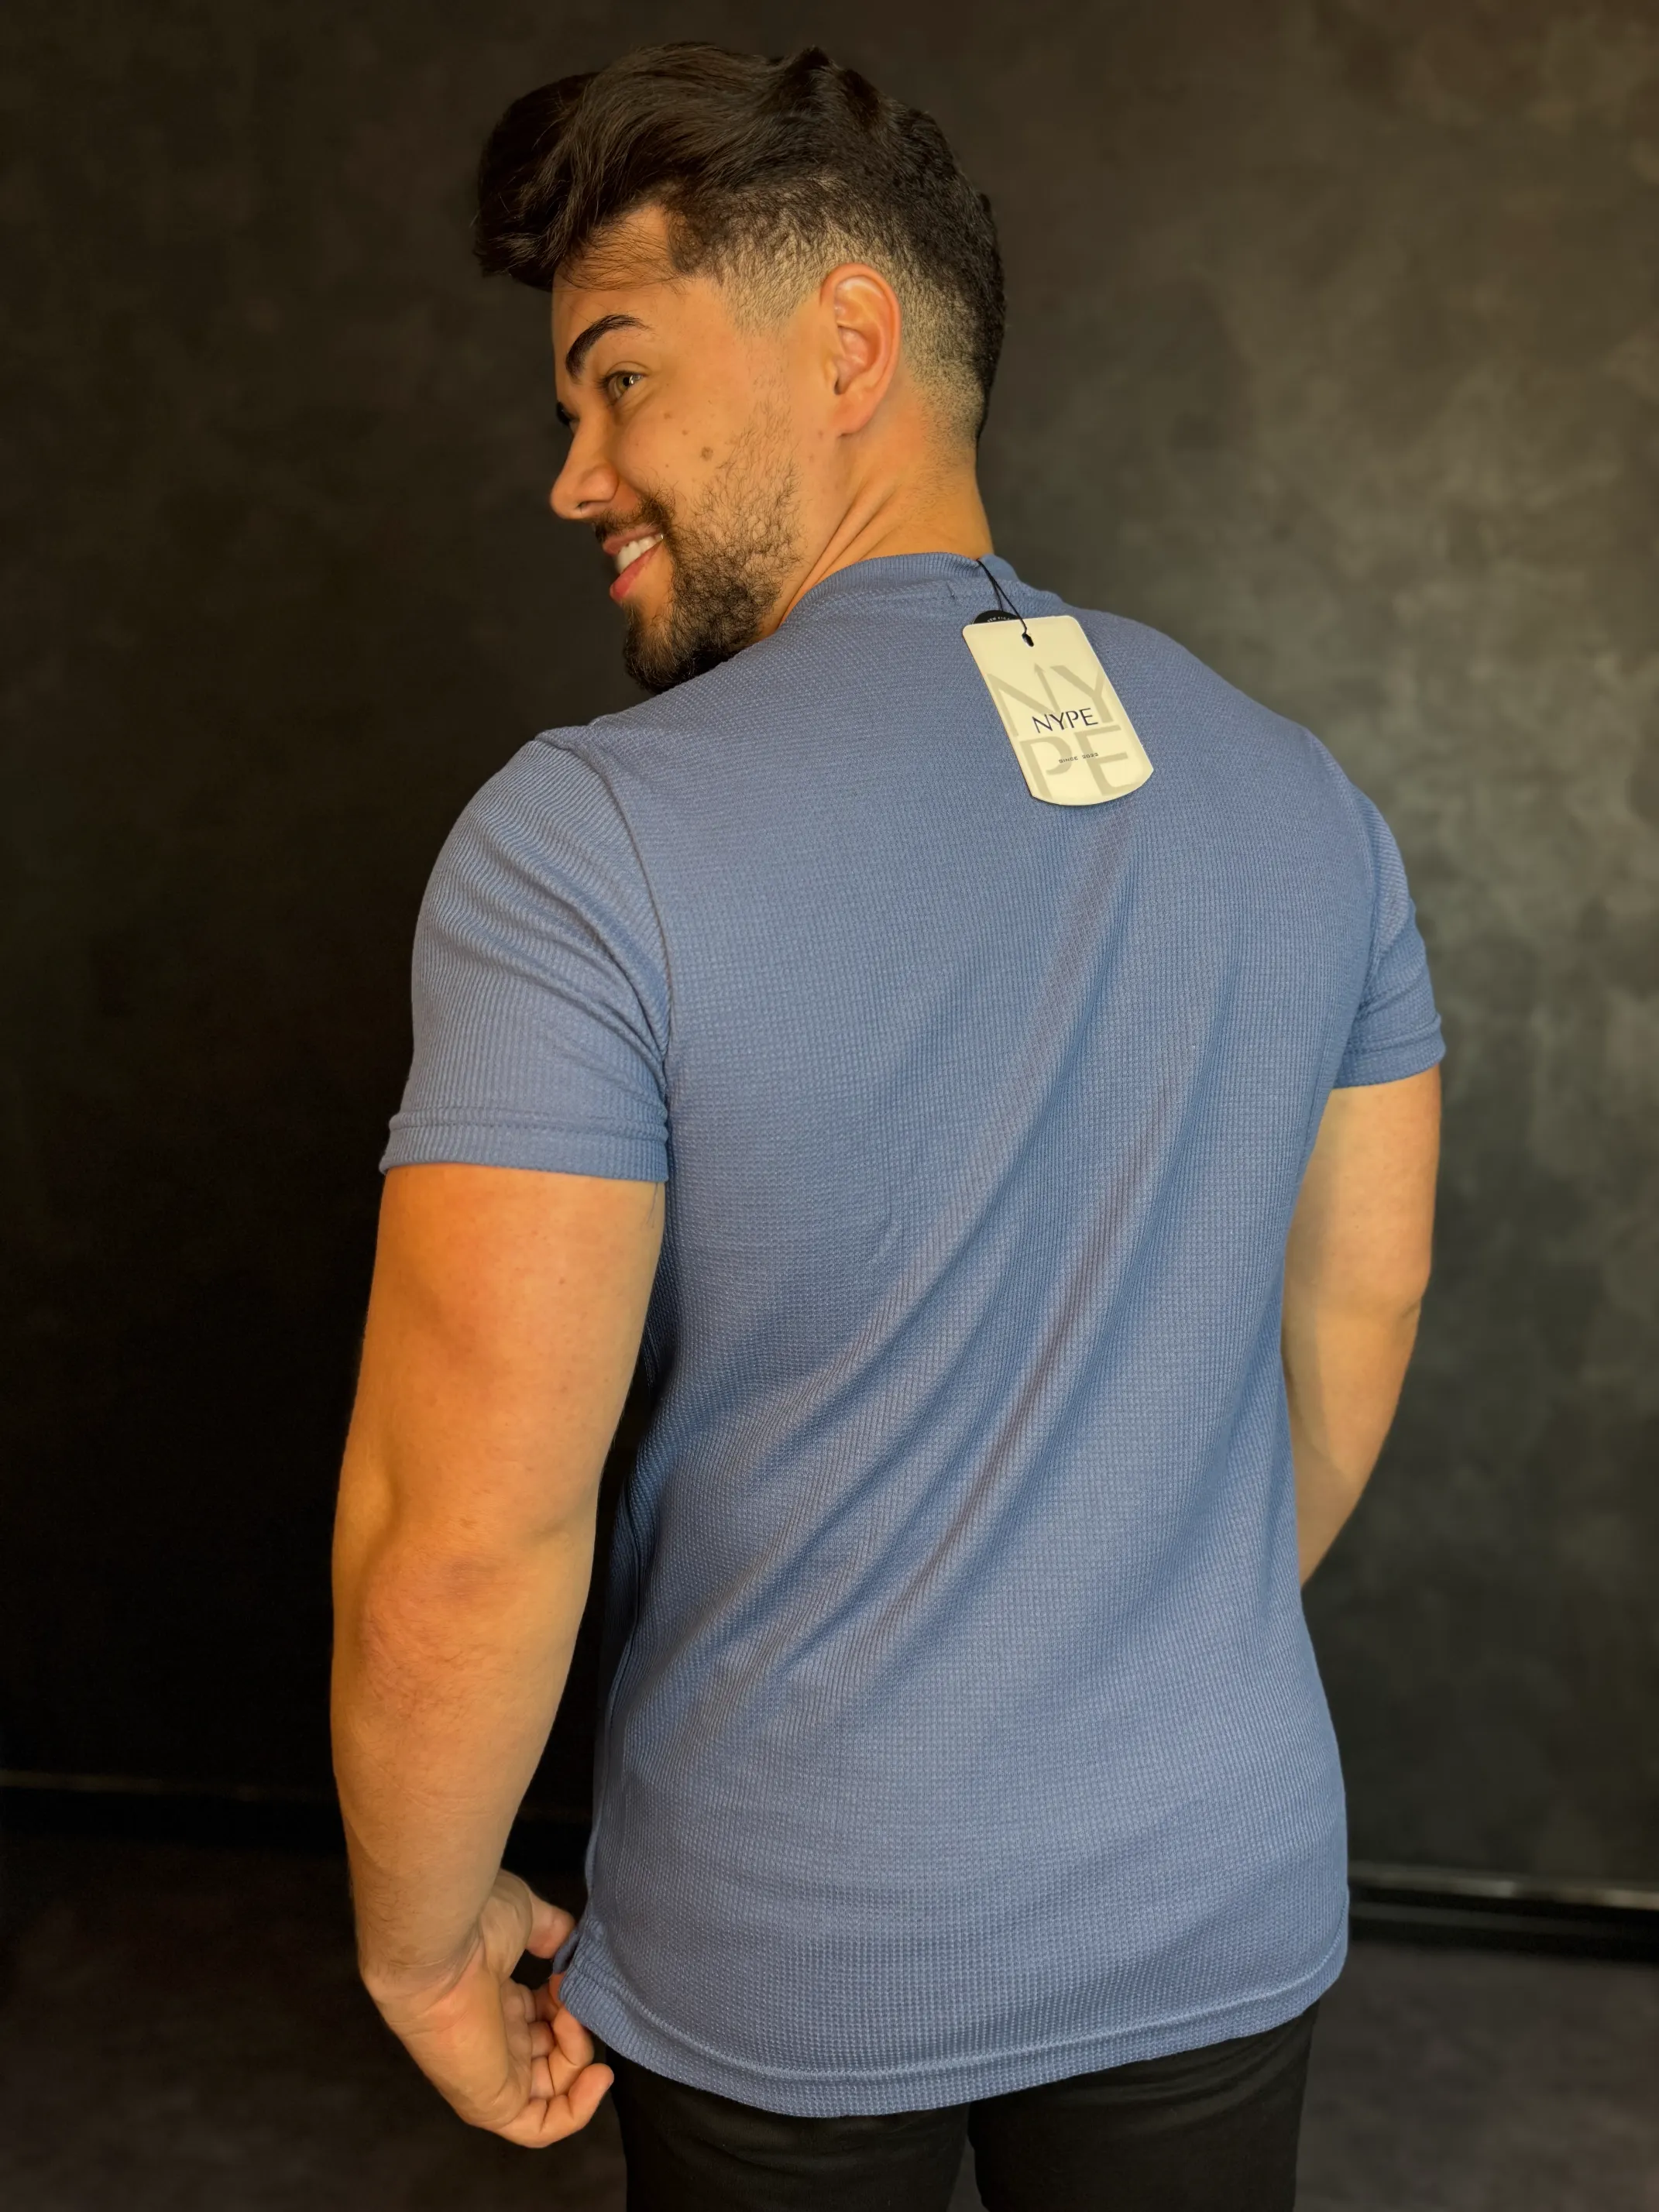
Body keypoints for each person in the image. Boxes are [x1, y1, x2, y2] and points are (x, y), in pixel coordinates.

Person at [330, 42, 1443, 2212]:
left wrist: (421, 1939)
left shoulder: (580, 845)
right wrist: (1118, 1634)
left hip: (788, 1928)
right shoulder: (1306, 803)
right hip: (1207, 1878)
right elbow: (1363, 1302)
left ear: (850, 343)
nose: (574, 475)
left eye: (617, 380)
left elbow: (463, 1533)